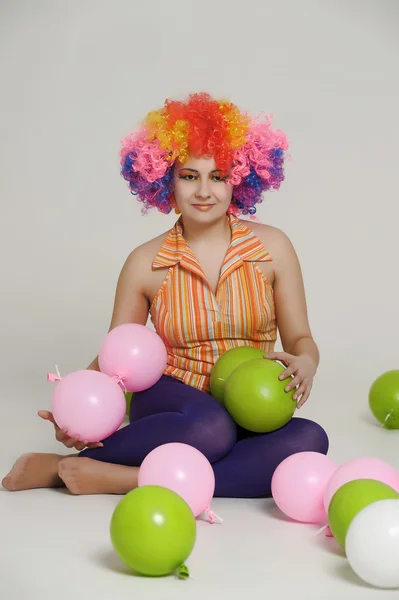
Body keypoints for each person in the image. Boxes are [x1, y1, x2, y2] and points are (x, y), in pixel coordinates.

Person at [2, 92, 328, 496]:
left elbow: (300, 338)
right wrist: (80, 410)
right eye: (189, 176)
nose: (204, 191)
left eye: (218, 176)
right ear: (166, 182)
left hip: (252, 398)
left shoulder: (274, 249)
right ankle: (76, 464)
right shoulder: (144, 263)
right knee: (211, 430)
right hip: (174, 401)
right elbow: (116, 358)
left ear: (239, 179)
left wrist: (306, 362)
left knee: (310, 442)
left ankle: (127, 478)